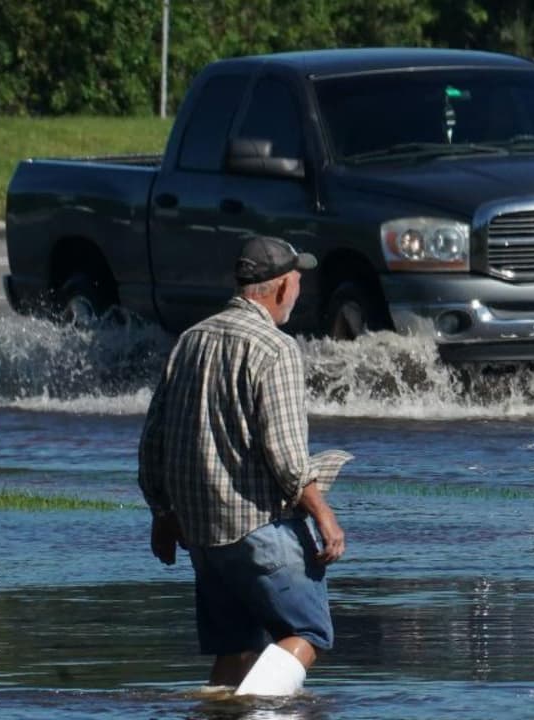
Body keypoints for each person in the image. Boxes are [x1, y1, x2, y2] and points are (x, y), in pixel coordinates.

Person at [138, 234, 353, 695]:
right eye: (297, 279)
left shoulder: (190, 341)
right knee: (309, 633)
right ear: (278, 287)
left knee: (235, 650)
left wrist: (162, 513)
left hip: (201, 535)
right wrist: (324, 516)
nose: (298, 289)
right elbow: (287, 456)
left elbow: (152, 440)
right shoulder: (276, 349)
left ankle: (218, 709)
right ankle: (258, 710)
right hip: (258, 528)